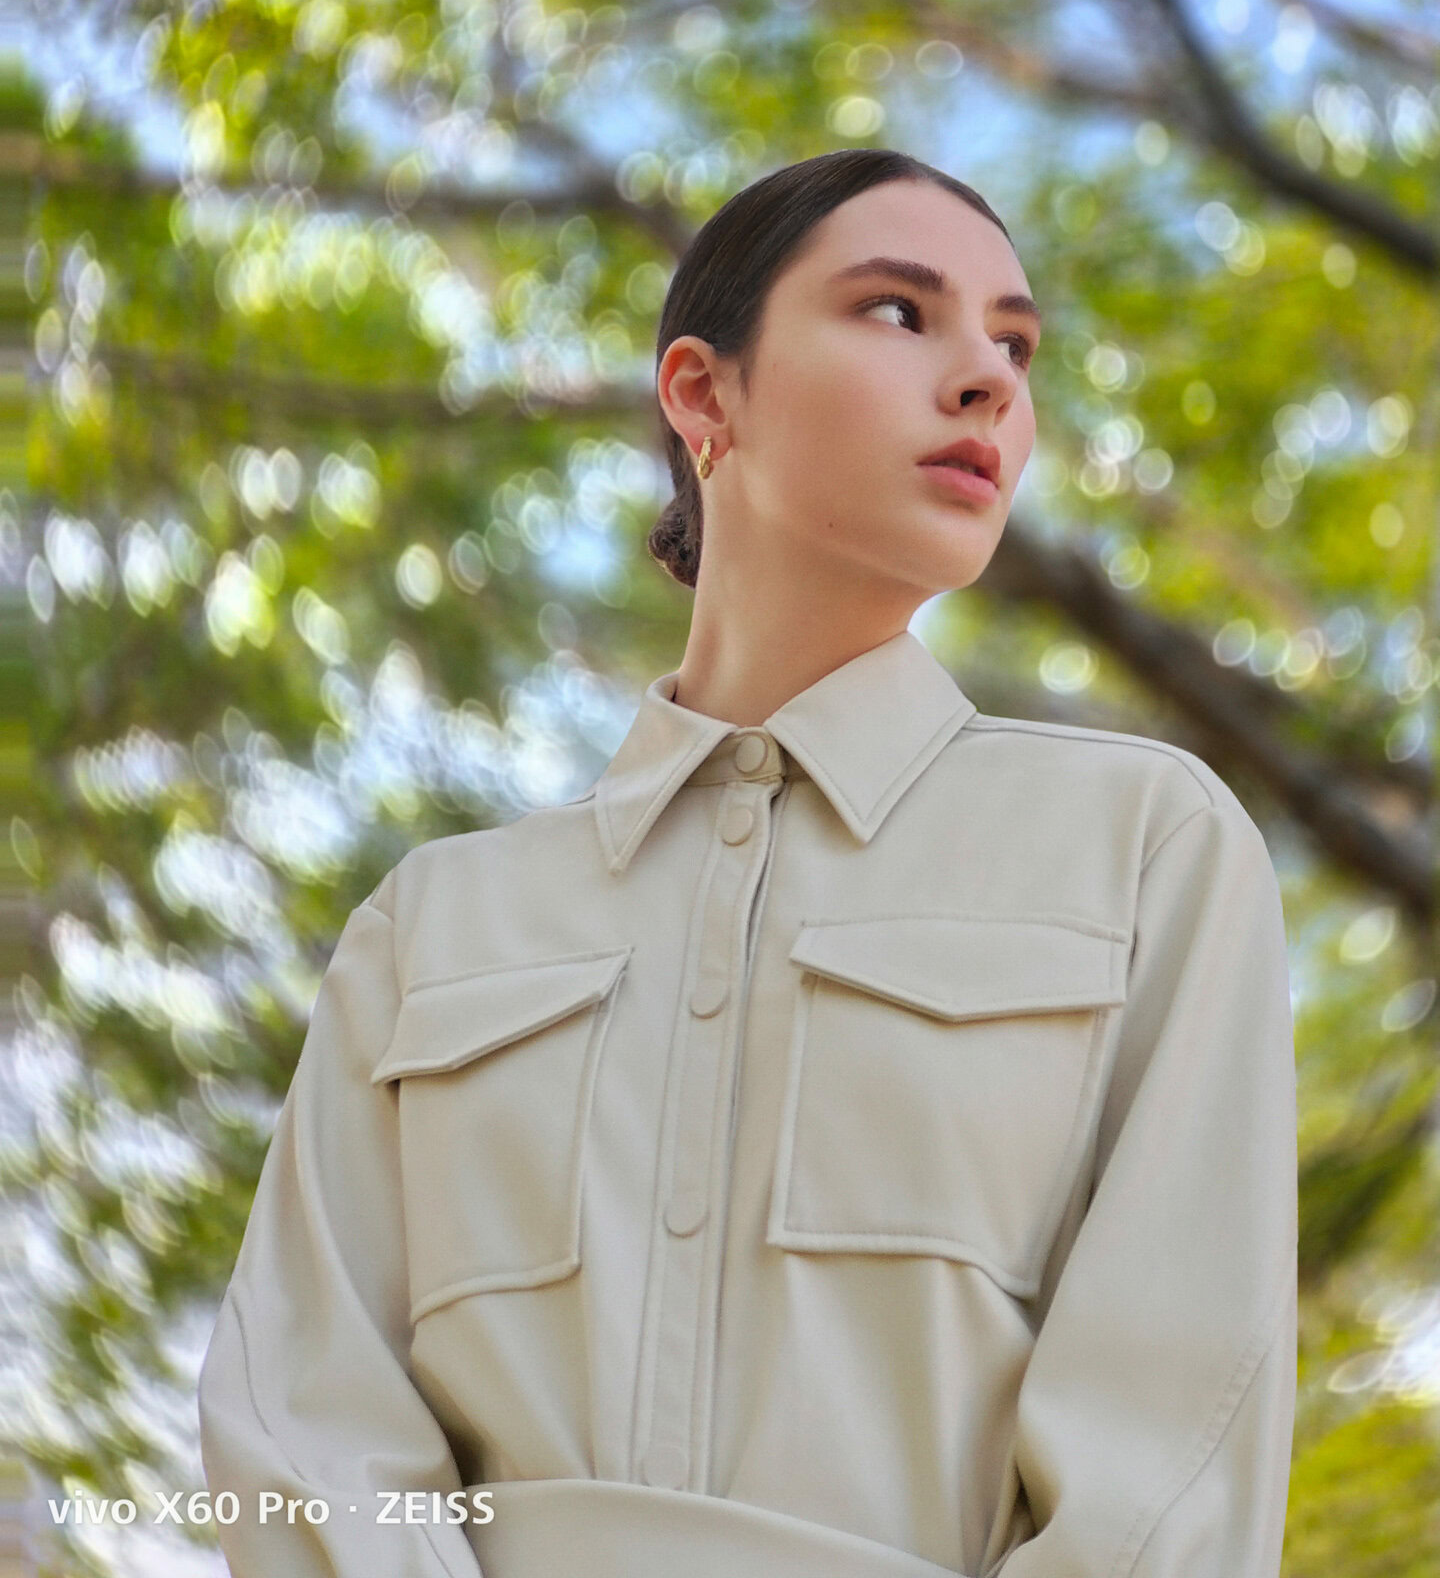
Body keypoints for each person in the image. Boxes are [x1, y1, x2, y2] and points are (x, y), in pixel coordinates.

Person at [197, 147, 1298, 1577]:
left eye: (1015, 344)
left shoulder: (1149, 849)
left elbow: (1177, 1449)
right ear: (704, 393)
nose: (988, 381)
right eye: (902, 312)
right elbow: (303, 1422)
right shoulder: (433, 927)